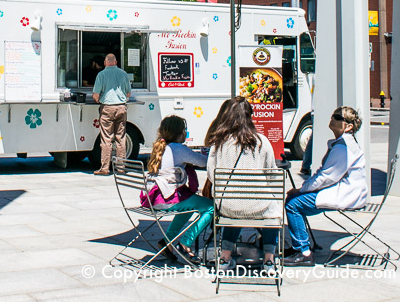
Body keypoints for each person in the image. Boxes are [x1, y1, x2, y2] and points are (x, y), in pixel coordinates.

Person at [283, 106, 367, 267]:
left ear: (348, 126)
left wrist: (302, 190)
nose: (332, 118)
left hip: (346, 194)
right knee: (294, 199)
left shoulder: (343, 148)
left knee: (293, 204)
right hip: (344, 190)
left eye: (337, 117)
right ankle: (299, 246)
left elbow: (326, 177)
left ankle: (304, 252)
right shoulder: (343, 144)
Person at [206, 96, 280, 272]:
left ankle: (225, 258)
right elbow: (273, 175)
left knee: (235, 206)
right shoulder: (262, 141)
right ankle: (269, 260)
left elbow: (211, 174)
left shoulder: (220, 143)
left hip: (228, 206)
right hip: (259, 207)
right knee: (273, 210)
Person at [141, 115, 212, 264]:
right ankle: (186, 242)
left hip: (152, 198)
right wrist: (209, 153)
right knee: (210, 207)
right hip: (167, 199)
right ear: (179, 133)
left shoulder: (160, 146)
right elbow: (202, 162)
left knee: (190, 205)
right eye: (184, 131)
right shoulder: (178, 148)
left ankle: (167, 242)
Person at [92, 53, 131, 175]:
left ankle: (104, 168)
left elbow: (96, 95)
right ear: (116, 62)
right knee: (120, 138)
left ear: (105, 63)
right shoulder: (124, 74)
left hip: (107, 108)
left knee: (106, 138)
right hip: (121, 108)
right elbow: (128, 93)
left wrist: (98, 100)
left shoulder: (101, 74)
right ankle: (121, 168)